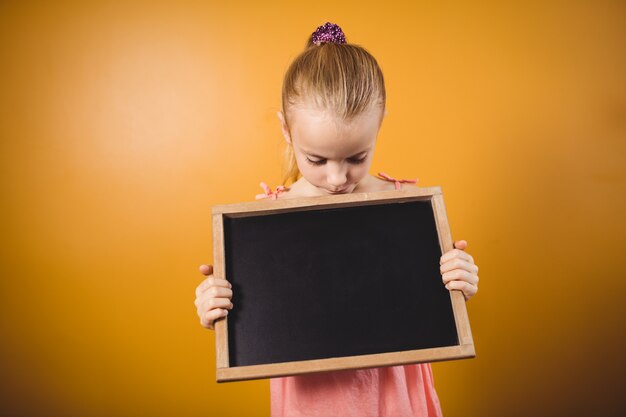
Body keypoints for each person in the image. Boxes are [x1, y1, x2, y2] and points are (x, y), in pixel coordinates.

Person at [194, 22, 480, 417]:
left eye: (356, 158)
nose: (337, 179)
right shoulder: (263, 226)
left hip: (394, 401)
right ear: (286, 131)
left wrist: (456, 279)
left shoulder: (404, 208)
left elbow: (426, 304)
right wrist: (220, 307)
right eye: (317, 159)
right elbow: (258, 321)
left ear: (379, 126)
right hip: (314, 405)